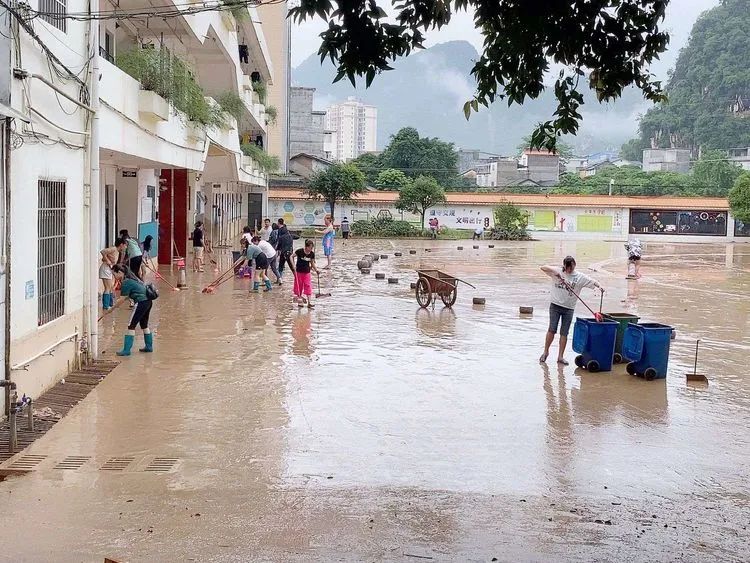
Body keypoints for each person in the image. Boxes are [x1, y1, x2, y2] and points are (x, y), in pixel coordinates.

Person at [540, 256, 604, 365]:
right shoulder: (558, 271)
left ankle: (560, 357)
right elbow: (543, 267)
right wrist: (556, 273)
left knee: (564, 332)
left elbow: (592, 282)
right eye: (567, 268)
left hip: (569, 308)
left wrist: (600, 286)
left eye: (571, 268)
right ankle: (545, 352)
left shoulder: (579, 277)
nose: (569, 270)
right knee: (552, 329)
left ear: (574, 265)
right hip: (555, 306)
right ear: (564, 266)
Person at [106, 264, 155, 356]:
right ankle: (149, 347)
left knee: (131, 325)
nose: (114, 277)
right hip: (148, 302)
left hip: (141, 303)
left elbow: (122, 299)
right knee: (144, 324)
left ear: (120, 272)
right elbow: (128, 296)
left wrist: (111, 309)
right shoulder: (133, 280)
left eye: (114, 274)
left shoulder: (126, 282)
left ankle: (126, 350)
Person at [100, 238, 127, 310]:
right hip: (105, 269)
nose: (125, 247)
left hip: (110, 270)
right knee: (108, 288)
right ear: (121, 245)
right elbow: (103, 251)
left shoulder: (117, 252)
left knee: (111, 287)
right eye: (125, 245)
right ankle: (106, 306)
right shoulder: (113, 249)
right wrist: (107, 260)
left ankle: (110, 304)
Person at [293, 239, 319, 308]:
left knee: (308, 286)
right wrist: (293, 265)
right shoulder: (300, 251)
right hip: (299, 272)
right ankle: (300, 302)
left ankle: (309, 302)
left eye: (312, 248)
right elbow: (291, 256)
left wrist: (316, 270)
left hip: (307, 272)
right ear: (306, 247)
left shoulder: (312, 254)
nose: (311, 249)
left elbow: (312, 263)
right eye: (310, 247)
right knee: (299, 287)